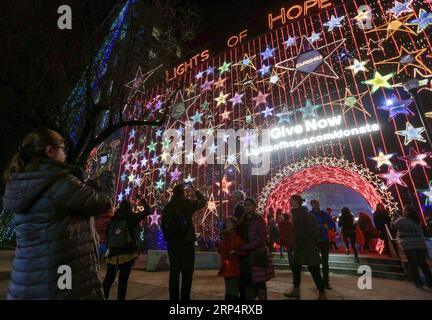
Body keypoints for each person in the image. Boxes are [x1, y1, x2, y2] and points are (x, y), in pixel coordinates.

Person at [2, 128, 115, 300]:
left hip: (27, 277)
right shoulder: (57, 180)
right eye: (63, 150)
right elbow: (103, 202)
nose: (66, 155)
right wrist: (107, 176)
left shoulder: (22, 181)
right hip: (63, 273)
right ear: (50, 150)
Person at [161, 183, 208, 300]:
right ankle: (185, 298)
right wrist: (195, 190)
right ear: (184, 193)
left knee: (174, 272)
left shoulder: (168, 206)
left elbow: (163, 224)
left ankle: (174, 298)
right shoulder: (187, 204)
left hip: (173, 243)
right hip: (186, 242)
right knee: (187, 272)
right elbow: (203, 201)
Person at [103, 197, 151, 300]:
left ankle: (103, 297)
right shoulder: (132, 217)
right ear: (129, 207)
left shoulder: (113, 219)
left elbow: (108, 235)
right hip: (127, 255)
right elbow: (147, 211)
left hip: (113, 255)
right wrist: (142, 200)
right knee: (122, 282)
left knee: (108, 281)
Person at [284, 195, 326, 300]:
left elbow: (309, 231)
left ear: (296, 201)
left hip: (305, 246)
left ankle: (321, 293)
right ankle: (297, 290)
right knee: (297, 267)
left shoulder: (301, 214)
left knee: (313, 269)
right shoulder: (300, 214)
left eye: (291, 200)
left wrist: (298, 242)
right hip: (304, 246)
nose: (290, 202)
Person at [236, 198, 275, 300]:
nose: (247, 207)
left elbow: (262, 238)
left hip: (256, 254)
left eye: (249, 205)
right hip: (244, 255)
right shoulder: (242, 219)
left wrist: (247, 247)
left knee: (259, 281)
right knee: (247, 281)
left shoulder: (259, 219)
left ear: (254, 206)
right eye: (245, 205)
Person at [391, 205, 432, 290]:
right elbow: (421, 233)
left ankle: (419, 284)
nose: (402, 211)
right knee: (424, 265)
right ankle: (430, 282)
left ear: (407, 212)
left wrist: (394, 216)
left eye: (404, 210)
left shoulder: (401, 220)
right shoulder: (417, 221)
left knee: (414, 265)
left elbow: (393, 226)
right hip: (420, 245)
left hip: (409, 246)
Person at [310, 199, 335, 290]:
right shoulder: (310, 215)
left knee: (325, 262)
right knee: (315, 263)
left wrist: (328, 226)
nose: (315, 205)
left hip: (324, 240)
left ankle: (326, 282)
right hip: (314, 241)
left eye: (316, 203)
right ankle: (319, 282)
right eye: (313, 204)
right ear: (311, 205)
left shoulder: (325, 214)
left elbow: (332, 224)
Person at [218, 216, 245, 300]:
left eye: (230, 222)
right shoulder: (224, 235)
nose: (228, 224)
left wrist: (235, 252)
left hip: (233, 264)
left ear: (234, 225)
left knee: (233, 288)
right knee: (228, 288)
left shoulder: (236, 235)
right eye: (227, 222)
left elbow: (242, 248)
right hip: (226, 265)